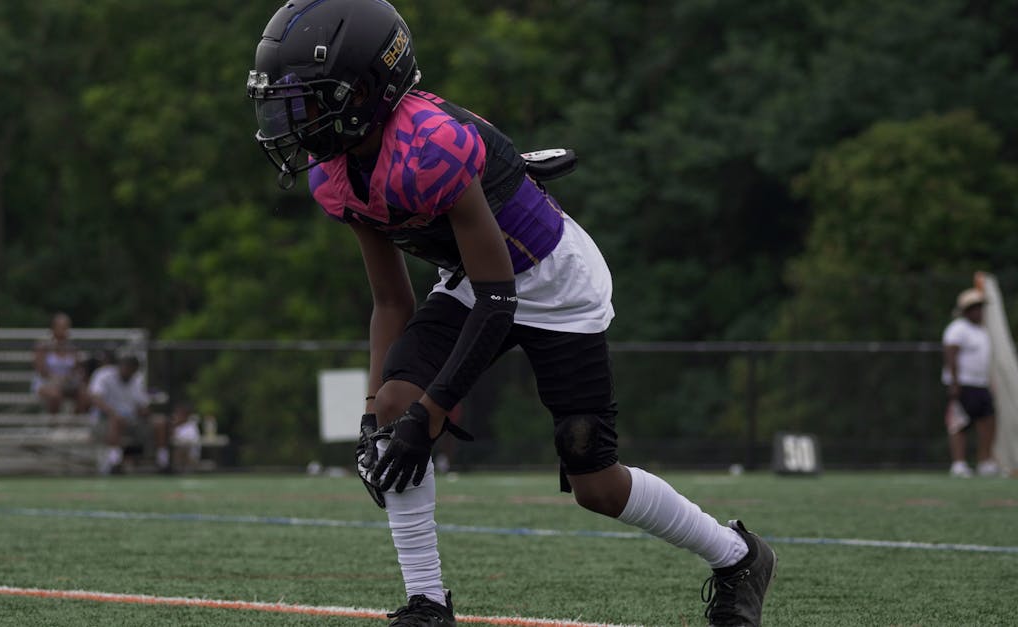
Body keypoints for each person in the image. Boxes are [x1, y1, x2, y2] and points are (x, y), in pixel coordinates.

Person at [248, 3, 776, 625]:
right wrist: (374, 416)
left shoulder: (428, 147)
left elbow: (502, 301)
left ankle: (738, 556)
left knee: (596, 484)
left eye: (308, 99)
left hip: (554, 284)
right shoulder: (337, 175)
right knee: (394, 409)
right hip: (476, 280)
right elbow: (392, 300)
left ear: (367, 90)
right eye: (285, 100)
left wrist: (433, 413)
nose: (292, 118)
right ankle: (427, 600)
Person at [941, 288, 999, 478]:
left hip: (980, 384)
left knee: (987, 422)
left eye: (980, 308)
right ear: (966, 310)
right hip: (964, 384)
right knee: (959, 424)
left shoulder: (981, 331)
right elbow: (951, 355)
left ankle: (985, 462)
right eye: (975, 308)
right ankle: (959, 464)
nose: (979, 312)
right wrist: (955, 383)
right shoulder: (957, 329)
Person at [88, 354, 169, 474]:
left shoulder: (137, 379)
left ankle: (163, 462)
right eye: (128, 369)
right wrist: (113, 413)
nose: (130, 373)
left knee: (161, 422)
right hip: (104, 420)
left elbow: (142, 404)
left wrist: (145, 411)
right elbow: (95, 397)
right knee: (117, 420)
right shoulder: (103, 375)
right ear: (121, 366)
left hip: (132, 421)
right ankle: (114, 462)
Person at [32, 313, 89, 414]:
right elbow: (41, 370)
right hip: (46, 383)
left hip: (67, 384)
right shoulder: (43, 346)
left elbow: (76, 369)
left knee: (84, 394)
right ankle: (54, 424)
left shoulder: (72, 347)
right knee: (55, 394)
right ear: (53, 328)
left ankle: (72, 424)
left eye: (66, 327)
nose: (64, 330)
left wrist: (70, 378)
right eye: (61, 327)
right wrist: (57, 379)